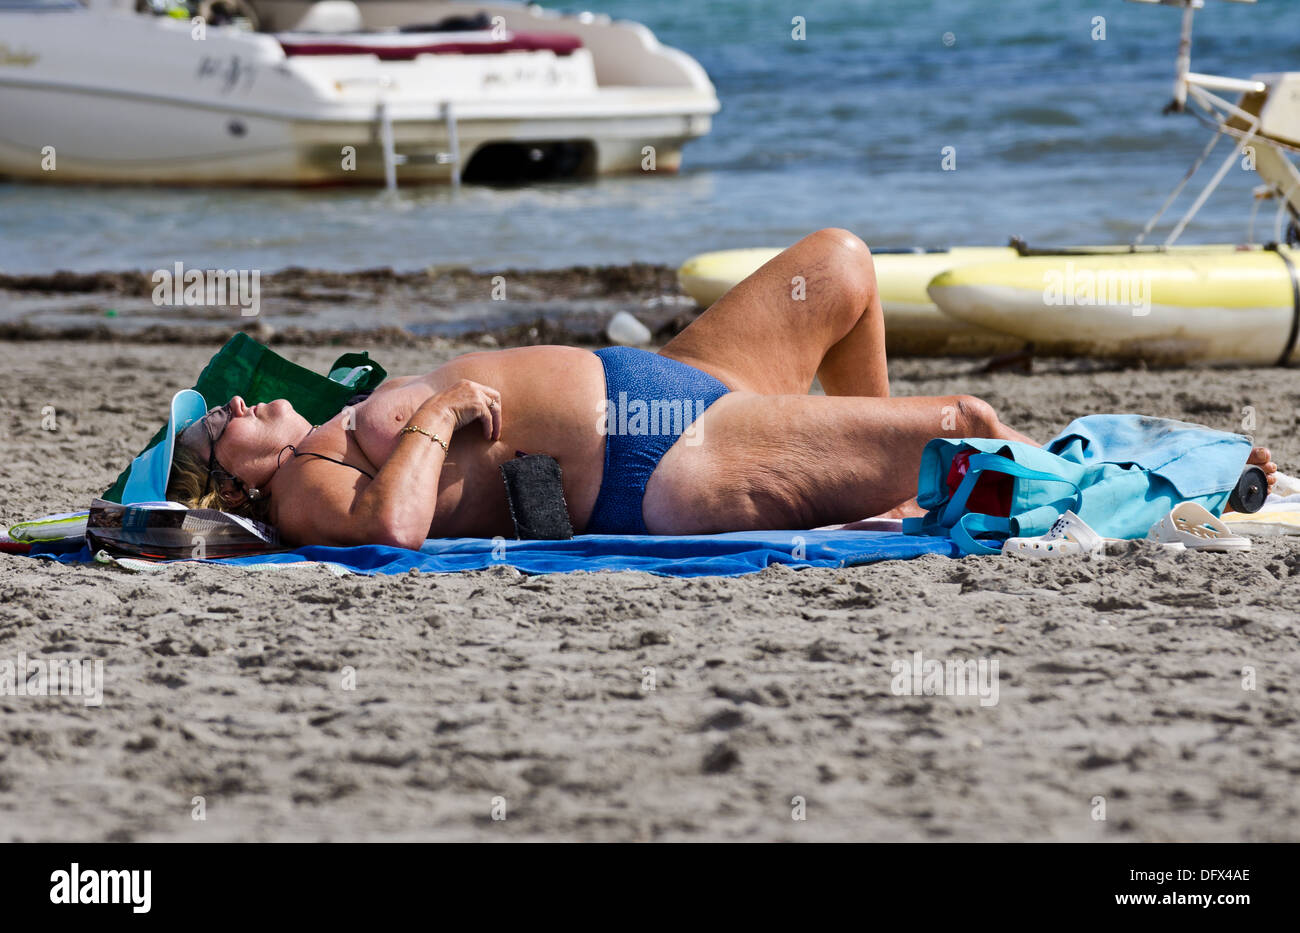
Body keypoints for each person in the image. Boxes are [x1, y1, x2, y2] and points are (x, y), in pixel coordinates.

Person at [162, 229, 1277, 547]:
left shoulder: (339, 416)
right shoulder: (310, 486)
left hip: (676, 381)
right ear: (231, 488)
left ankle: (884, 481)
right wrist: (446, 413)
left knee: (840, 263)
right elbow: (396, 531)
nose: (233, 404)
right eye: (219, 424)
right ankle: (1181, 474)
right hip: (671, 460)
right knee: (965, 423)